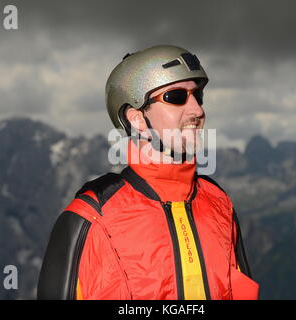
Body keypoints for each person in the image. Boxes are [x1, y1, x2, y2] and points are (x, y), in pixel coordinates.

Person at [37, 45, 259, 300]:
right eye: (176, 97)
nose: (197, 110)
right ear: (137, 119)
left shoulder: (219, 203)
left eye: (197, 95)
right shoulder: (90, 218)